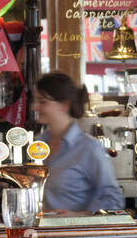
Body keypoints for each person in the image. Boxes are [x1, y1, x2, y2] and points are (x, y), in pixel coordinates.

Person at [34, 72, 124, 215]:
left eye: (42, 102)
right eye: (36, 101)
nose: (35, 107)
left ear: (64, 105)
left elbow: (113, 199)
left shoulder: (88, 147)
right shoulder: (37, 143)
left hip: (73, 233)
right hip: (38, 232)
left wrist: (80, 215)